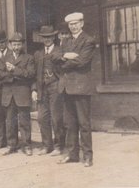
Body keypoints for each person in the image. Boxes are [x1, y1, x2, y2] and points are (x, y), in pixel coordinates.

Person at [55, 12, 95, 167]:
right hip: (66, 88)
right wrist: (67, 55)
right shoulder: (65, 42)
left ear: (82, 23)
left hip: (81, 87)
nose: (73, 26)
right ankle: (72, 154)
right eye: (71, 24)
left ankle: (88, 156)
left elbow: (83, 61)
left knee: (84, 123)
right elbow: (54, 57)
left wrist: (63, 61)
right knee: (69, 123)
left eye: (76, 23)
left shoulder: (88, 40)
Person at [0, 32, 35, 156]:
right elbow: (0, 75)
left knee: (24, 121)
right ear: (10, 44)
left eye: (18, 44)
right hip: (8, 94)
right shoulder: (5, 58)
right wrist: (13, 75)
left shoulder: (28, 58)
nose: (16, 47)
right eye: (14, 44)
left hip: (22, 93)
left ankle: (27, 145)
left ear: (22, 45)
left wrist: (14, 70)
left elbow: (30, 74)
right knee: (10, 121)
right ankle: (11, 145)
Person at [31, 25, 65, 156]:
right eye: (45, 37)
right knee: (41, 118)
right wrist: (34, 89)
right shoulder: (38, 54)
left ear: (54, 37)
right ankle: (47, 145)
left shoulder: (59, 51)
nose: (47, 39)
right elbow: (34, 74)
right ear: (42, 38)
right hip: (41, 89)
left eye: (50, 37)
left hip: (55, 87)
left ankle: (59, 146)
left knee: (56, 118)